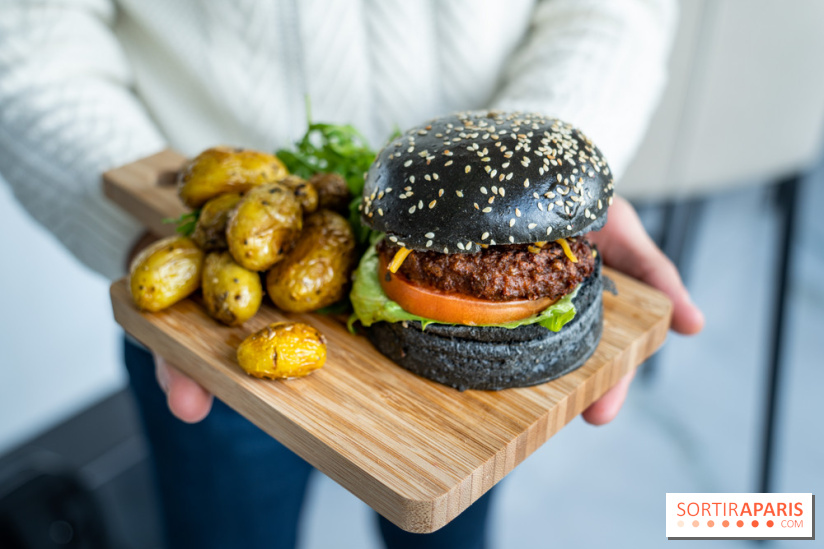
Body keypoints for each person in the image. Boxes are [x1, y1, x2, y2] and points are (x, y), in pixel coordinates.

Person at [0, 1, 703, 547]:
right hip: (221, 314)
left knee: (453, 525)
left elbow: (613, 13)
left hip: (484, 378)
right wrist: (162, 241)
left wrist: (537, 189)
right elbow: (27, 45)